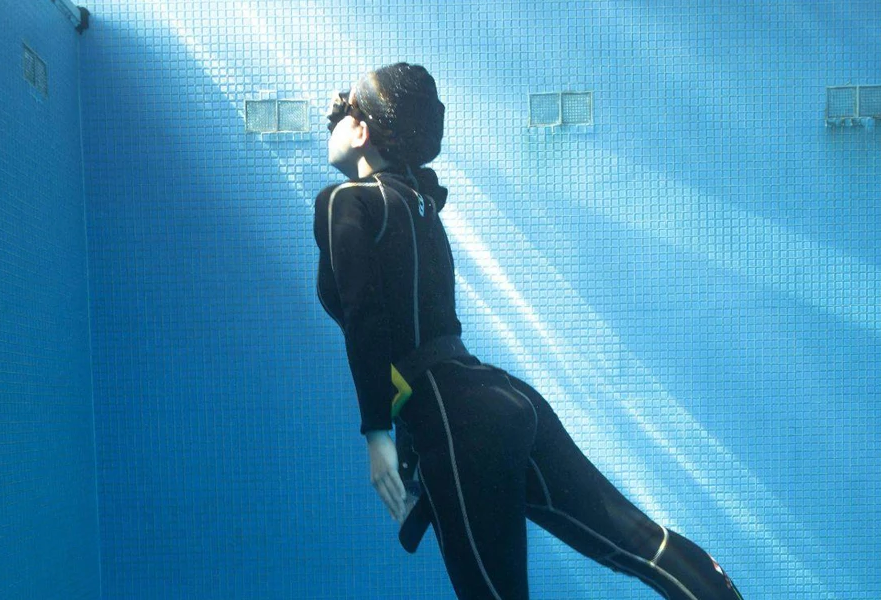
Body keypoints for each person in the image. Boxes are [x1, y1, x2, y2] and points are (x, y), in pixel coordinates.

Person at [313, 62, 745, 600]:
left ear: (362, 131)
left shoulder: (344, 202)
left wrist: (377, 434)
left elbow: (366, 319)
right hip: (501, 397)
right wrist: (352, 112)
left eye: (342, 115)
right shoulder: (420, 201)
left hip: (453, 420)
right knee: (639, 546)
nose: (329, 121)